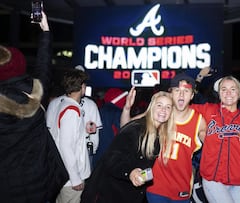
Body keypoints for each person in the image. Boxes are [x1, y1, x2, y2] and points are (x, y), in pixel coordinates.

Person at [0, 12, 68, 202]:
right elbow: (44, 68)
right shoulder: (35, 95)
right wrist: (45, 31)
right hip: (38, 186)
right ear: (20, 66)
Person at [121, 73, 207, 203]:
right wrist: (127, 108)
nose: (181, 95)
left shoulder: (198, 121)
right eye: (177, 90)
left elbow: (214, 148)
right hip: (155, 186)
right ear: (170, 93)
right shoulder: (161, 113)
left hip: (181, 186)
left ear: (192, 95)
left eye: (186, 91)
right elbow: (126, 128)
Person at [80, 91, 175, 203]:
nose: (163, 110)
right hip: (109, 193)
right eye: (159, 105)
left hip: (129, 194)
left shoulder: (159, 134)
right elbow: (112, 158)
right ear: (152, 107)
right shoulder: (136, 129)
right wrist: (130, 172)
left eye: (168, 107)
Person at [192, 71, 240, 203]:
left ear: (239, 93)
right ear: (218, 93)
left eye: (233, 89)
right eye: (223, 89)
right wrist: (198, 79)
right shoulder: (208, 110)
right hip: (213, 179)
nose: (228, 93)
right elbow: (182, 105)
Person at [50, 69, 92, 203]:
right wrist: (75, 178)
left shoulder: (64, 105)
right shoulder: (71, 111)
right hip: (70, 177)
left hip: (64, 173)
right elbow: (66, 146)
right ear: (81, 87)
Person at [93, 88, 128, 167]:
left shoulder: (99, 110)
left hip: (98, 154)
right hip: (112, 155)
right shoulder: (118, 113)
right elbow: (124, 131)